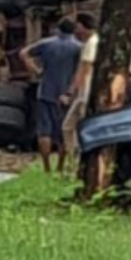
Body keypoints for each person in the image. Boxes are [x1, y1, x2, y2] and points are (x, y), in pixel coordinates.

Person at [20, 19, 82, 174]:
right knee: (64, 132)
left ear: (57, 29)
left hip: (45, 92)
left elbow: (23, 53)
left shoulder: (46, 44)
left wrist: (35, 70)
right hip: (67, 95)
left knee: (44, 131)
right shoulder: (78, 47)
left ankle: (47, 167)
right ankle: (60, 167)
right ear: (73, 30)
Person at [61, 13, 99, 161]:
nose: (76, 30)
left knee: (78, 126)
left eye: (77, 26)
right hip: (83, 91)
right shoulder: (90, 42)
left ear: (83, 26)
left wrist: (71, 92)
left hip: (86, 91)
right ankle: (74, 160)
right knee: (68, 127)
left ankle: (79, 159)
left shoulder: (91, 43)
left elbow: (84, 69)